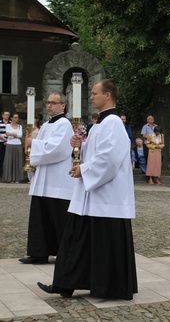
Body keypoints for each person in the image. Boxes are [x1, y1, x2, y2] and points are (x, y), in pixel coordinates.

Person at [37, 79, 138, 300]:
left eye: (94, 93)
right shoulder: (100, 124)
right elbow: (96, 153)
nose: (91, 97)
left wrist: (84, 170)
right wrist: (79, 146)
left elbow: (110, 158)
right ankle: (66, 283)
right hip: (92, 195)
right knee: (77, 237)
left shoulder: (113, 123)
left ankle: (103, 286)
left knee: (93, 240)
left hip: (106, 196)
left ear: (108, 95)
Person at [19, 93, 74, 264]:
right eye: (48, 102)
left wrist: (32, 144)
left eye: (53, 103)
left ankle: (65, 253)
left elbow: (57, 149)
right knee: (40, 216)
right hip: (43, 178)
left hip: (57, 180)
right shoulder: (46, 125)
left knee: (58, 217)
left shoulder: (64, 124)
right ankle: (39, 252)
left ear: (63, 106)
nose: (49, 105)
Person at [3, 113, 24, 183]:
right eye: (15, 117)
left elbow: (20, 135)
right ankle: (10, 178)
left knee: (18, 161)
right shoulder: (8, 125)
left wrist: (13, 134)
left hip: (18, 144)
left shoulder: (20, 126)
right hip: (10, 144)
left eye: (17, 117)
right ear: (11, 118)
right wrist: (14, 134)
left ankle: (17, 178)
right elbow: (7, 133)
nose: (16, 119)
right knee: (10, 161)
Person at [24, 116, 41, 183]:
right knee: (29, 161)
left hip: (37, 146)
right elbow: (26, 138)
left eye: (35, 119)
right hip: (30, 146)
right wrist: (26, 148)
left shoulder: (40, 128)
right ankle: (30, 178)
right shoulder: (30, 129)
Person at [0, 111, 10, 179]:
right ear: (2, 116)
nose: (7, 116)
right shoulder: (0, 123)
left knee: (8, 159)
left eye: (8, 115)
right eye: (5, 115)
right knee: (1, 158)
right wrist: (5, 139)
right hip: (1, 142)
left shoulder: (10, 123)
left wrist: (8, 140)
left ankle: (7, 175)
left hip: (9, 143)